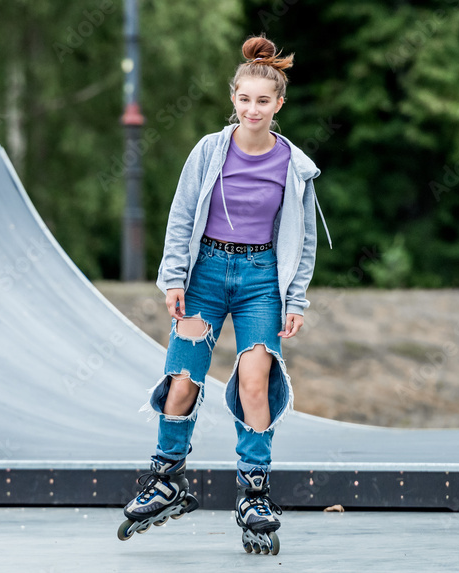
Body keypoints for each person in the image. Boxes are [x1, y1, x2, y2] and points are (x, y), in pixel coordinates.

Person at [117, 34, 331, 554]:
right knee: (181, 381)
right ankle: (166, 481)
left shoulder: (293, 166)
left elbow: (301, 241)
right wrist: (173, 278)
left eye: (263, 101)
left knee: (256, 381)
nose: (252, 109)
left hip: (261, 279)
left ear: (279, 104)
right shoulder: (209, 151)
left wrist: (296, 299)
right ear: (232, 99)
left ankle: (254, 493)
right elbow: (182, 215)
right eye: (244, 99)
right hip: (205, 274)